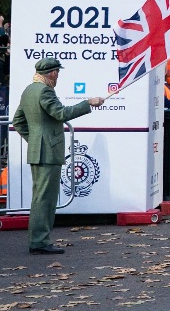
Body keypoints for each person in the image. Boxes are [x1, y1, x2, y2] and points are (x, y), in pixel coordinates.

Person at [11, 58, 104, 254]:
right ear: (52, 73)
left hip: (38, 151)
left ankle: (39, 240)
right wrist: (88, 103)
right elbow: (61, 113)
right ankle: (40, 241)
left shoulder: (29, 90)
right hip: (48, 151)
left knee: (40, 197)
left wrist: (35, 139)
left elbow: (18, 122)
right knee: (45, 199)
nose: (58, 76)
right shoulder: (44, 91)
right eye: (57, 73)